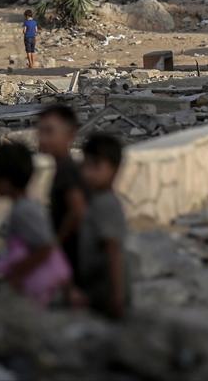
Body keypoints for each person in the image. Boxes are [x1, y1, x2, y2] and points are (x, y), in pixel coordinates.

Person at [0, 141, 71, 306]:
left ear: (6, 181)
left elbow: (45, 247)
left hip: (45, 291)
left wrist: (17, 273)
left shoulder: (23, 211)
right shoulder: (26, 206)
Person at [75, 132, 130, 319]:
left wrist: (117, 297)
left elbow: (113, 251)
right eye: (86, 165)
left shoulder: (106, 203)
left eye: (96, 166)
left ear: (114, 169)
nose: (88, 173)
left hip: (105, 293)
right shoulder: (96, 200)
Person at [37, 104, 86, 273]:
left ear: (70, 134)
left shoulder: (68, 171)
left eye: (49, 132)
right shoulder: (62, 168)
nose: (43, 139)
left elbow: (77, 211)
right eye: (40, 132)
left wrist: (55, 244)